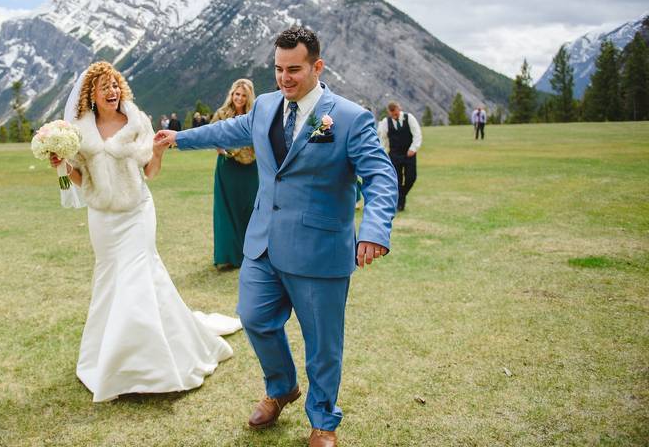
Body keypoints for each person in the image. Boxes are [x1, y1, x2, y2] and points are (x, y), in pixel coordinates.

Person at [155, 26, 397, 447]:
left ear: (317, 67)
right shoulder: (266, 105)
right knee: (254, 318)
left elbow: (380, 176)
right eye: (278, 69)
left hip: (320, 250)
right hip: (263, 243)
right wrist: (179, 138)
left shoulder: (349, 117)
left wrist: (374, 230)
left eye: (294, 70)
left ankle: (323, 421)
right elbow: (228, 132)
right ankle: (282, 386)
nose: (284, 78)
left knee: (322, 345)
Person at [50, 61, 241, 402]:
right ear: (90, 94)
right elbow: (80, 180)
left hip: (137, 213)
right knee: (110, 280)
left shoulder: (136, 121)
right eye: (104, 86)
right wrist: (63, 163)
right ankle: (109, 360)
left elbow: (150, 173)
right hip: (103, 218)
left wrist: (157, 151)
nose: (112, 91)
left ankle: (155, 367)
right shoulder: (78, 130)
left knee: (138, 277)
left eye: (115, 85)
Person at [209, 79, 258, 269]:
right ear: (232, 94)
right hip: (227, 167)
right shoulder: (221, 114)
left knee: (249, 209)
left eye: (243, 95)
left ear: (248, 97)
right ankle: (228, 255)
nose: (239, 98)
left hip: (250, 168)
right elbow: (211, 135)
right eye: (237, 94)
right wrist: (222, 149)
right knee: (226, 211)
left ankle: (250, 253)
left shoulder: (254, 115)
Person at [376, 101, 422, 212]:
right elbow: (383, 139)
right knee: (397, 180)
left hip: (409, 154)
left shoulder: (409, 118)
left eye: (395, 111)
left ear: (398, 108)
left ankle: (401, 197)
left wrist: (413, 148)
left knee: (411, 178)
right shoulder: (385, 122)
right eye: (391, 112)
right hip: (394, 155)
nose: (394, 114)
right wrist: (384, 153)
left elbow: (417, 134)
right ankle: (400, 205)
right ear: (389, 112)